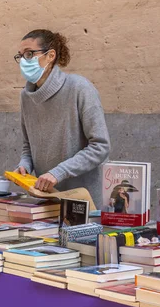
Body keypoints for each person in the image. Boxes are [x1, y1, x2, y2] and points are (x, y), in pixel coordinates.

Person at [13, 29, 110, 206]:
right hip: (48, 199)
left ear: (50, 56)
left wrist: (59, 172)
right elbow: (28, 145)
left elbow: (100, 146)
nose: (23, 61)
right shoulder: (26, 97)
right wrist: (24, 165)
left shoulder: (79, 88)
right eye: (20, 56)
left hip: (84, 200)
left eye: (29, 54)